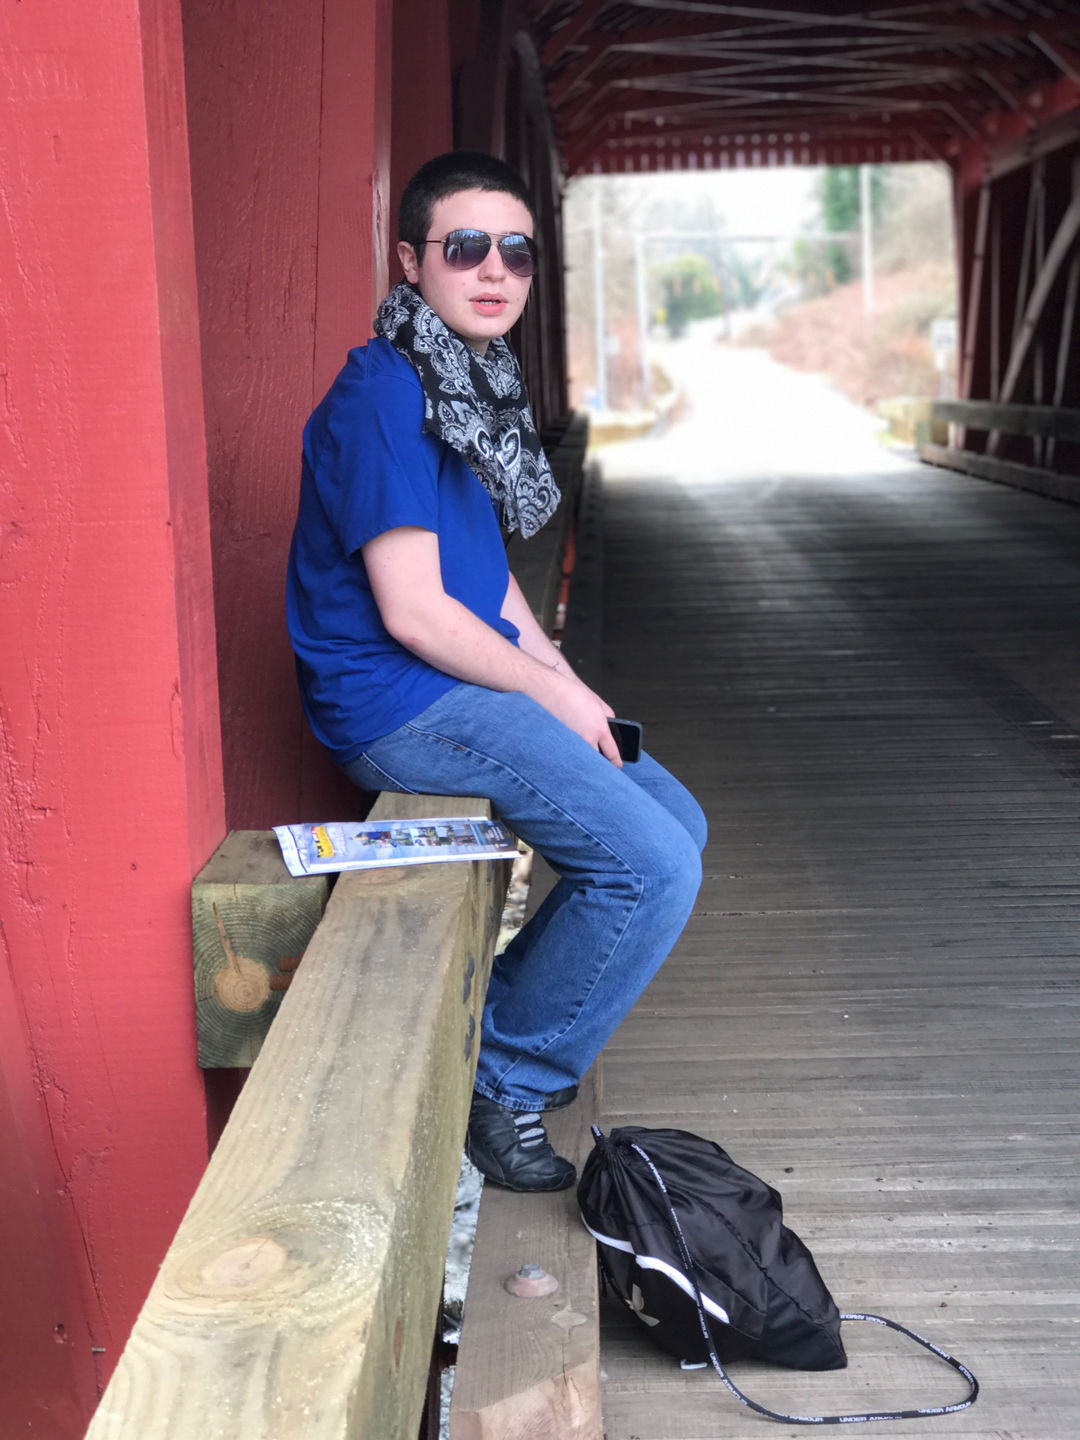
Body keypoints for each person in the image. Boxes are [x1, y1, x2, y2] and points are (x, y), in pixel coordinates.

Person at [287, 151, 706, 1192]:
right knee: (650, 867)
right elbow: (417, 612)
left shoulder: (466, 382)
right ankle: (505, 1079)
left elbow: (487, 585)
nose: (494, 271)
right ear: (410, 260)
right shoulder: (386, 396)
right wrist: (549, 692)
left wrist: (571, 683)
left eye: (516, 251)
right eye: (466, 246)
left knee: (677, 823)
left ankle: (494, 1024)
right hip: (397, 700)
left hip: (459, 684)